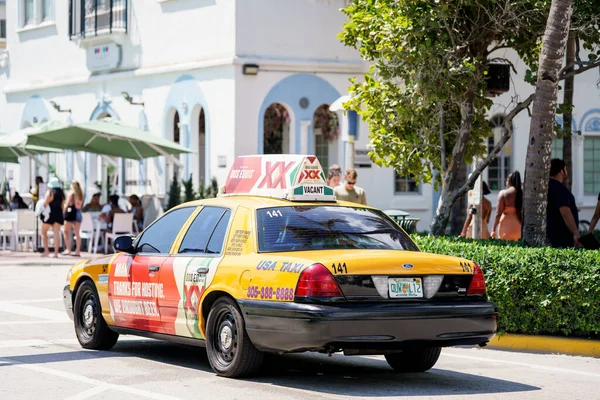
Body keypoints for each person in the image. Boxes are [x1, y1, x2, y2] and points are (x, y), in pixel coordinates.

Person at [547, 159, 580, 248]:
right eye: (565, 169)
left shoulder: (545, 186)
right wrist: (576, 233)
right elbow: (565, 212)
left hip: (551, 234)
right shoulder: (559, 188)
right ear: (561, 171)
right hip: (561, 238)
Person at [491, 171, 523, 241]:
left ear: (509, 181)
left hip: (505, 226)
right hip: (518, 225)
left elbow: (498, 214)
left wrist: (493, 229)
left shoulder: (503, 193)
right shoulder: (522, 194)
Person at [41, 177, 65, 258]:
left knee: (43, 232)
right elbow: (62, 205)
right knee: (56, 233)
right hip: (58, 214)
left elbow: (45, 203)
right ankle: (56, 253)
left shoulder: (50, 192)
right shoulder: (61, 193)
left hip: (50, 214)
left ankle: (46, 251)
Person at [63, 181, 84, 256]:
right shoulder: (81, 194)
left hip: (72, 212)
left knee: (65, 231)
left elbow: (67, 204)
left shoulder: (72, 194)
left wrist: (63, 212)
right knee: (77, 233)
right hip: (78, 212)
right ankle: (77, 251)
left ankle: (68, 249)